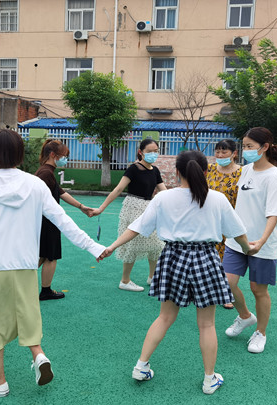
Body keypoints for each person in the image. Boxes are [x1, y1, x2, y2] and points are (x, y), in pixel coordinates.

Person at [0, 129, 105, 397]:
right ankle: (38, 356)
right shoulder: (36, 184)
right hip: (25, 264)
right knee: (27, 312)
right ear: (20, 154)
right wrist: (93, 246)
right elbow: (62, 220)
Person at [99, 150, 254, 395]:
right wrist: (249, 249)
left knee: (164, 318)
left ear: (177, 172)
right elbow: (238, 233)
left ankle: (141, 366)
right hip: (205, 258)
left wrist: (112, 246)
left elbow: (137, 227)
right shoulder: (217, 198)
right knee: (206, 324)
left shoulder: (163, 197)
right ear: (206, 171)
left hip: (172, 258)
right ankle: (209, 379)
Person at [222, 127, 277, 354]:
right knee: (226, 282)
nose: (246, 150)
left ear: (265, 147)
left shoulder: (273, 176)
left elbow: (274, 214)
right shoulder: (246, 170)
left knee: (258, 289)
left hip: (263, 243)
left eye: (250, 146)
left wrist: (261, 241)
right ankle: (244, 317)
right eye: (244, 146)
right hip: (238, 239)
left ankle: (261, 332)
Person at [90, 139, 166, 292]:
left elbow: (164, 191)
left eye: (156, 151)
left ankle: (152, 277)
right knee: (132, 244)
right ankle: (125, 280)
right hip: (133, 207)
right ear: (141, 152)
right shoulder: (133, 169)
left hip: (149, 208)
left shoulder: (155, 171)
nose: (153, 154)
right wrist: (101, 208)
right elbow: (118, 189)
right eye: (149, 151)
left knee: (157, 245)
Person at [35, 139, 92, 300]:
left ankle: (23, 285)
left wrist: (81, 206)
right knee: (50, 256)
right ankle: (45, 290)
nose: (66, 159)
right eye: (64, 156)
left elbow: (60, 192)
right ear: (53, 155)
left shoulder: (46, 171)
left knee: (42, 256)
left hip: (45, 221)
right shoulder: (46, 173)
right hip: (48, 221)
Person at [206, 139, 242, 310]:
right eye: (217, 151)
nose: (220, 155)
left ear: (234, 153)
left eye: (224, 152)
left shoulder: (242, 173)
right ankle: (208, 288)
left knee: (227, 259)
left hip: (231, 220)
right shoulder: (209, 169)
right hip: (209, 220)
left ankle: (226, 293)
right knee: (209, 257)